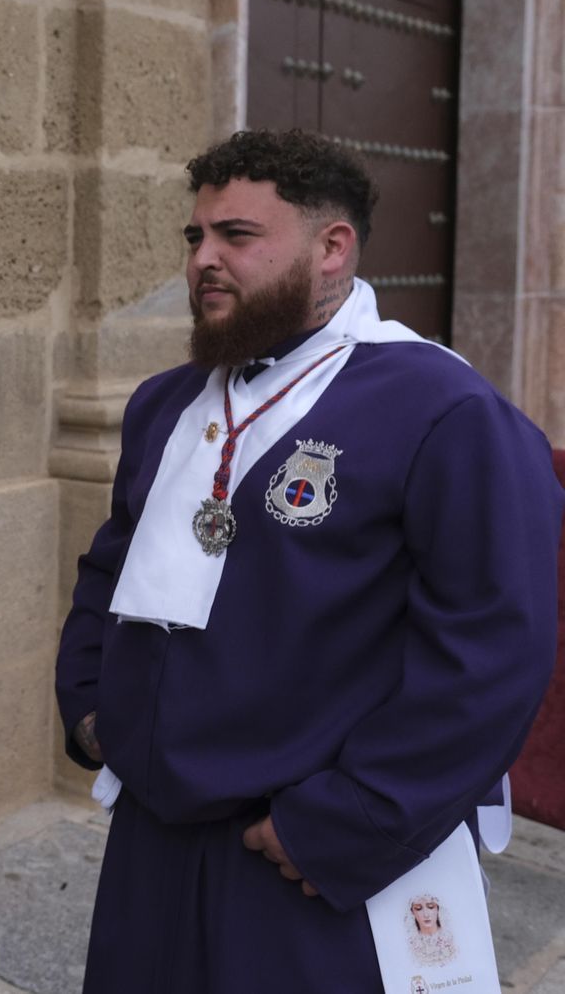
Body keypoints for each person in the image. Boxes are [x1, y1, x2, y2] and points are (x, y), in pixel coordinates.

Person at [54, 128, 561, 991]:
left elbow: (491, 654)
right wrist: (93, 707)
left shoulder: (444, 410)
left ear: (334, 248)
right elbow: (110, 568)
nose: (204, 260)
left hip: (302, 860)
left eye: (237, 237)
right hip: (153, 835)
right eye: (195, 237)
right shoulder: (166, 402)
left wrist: (345, 823)